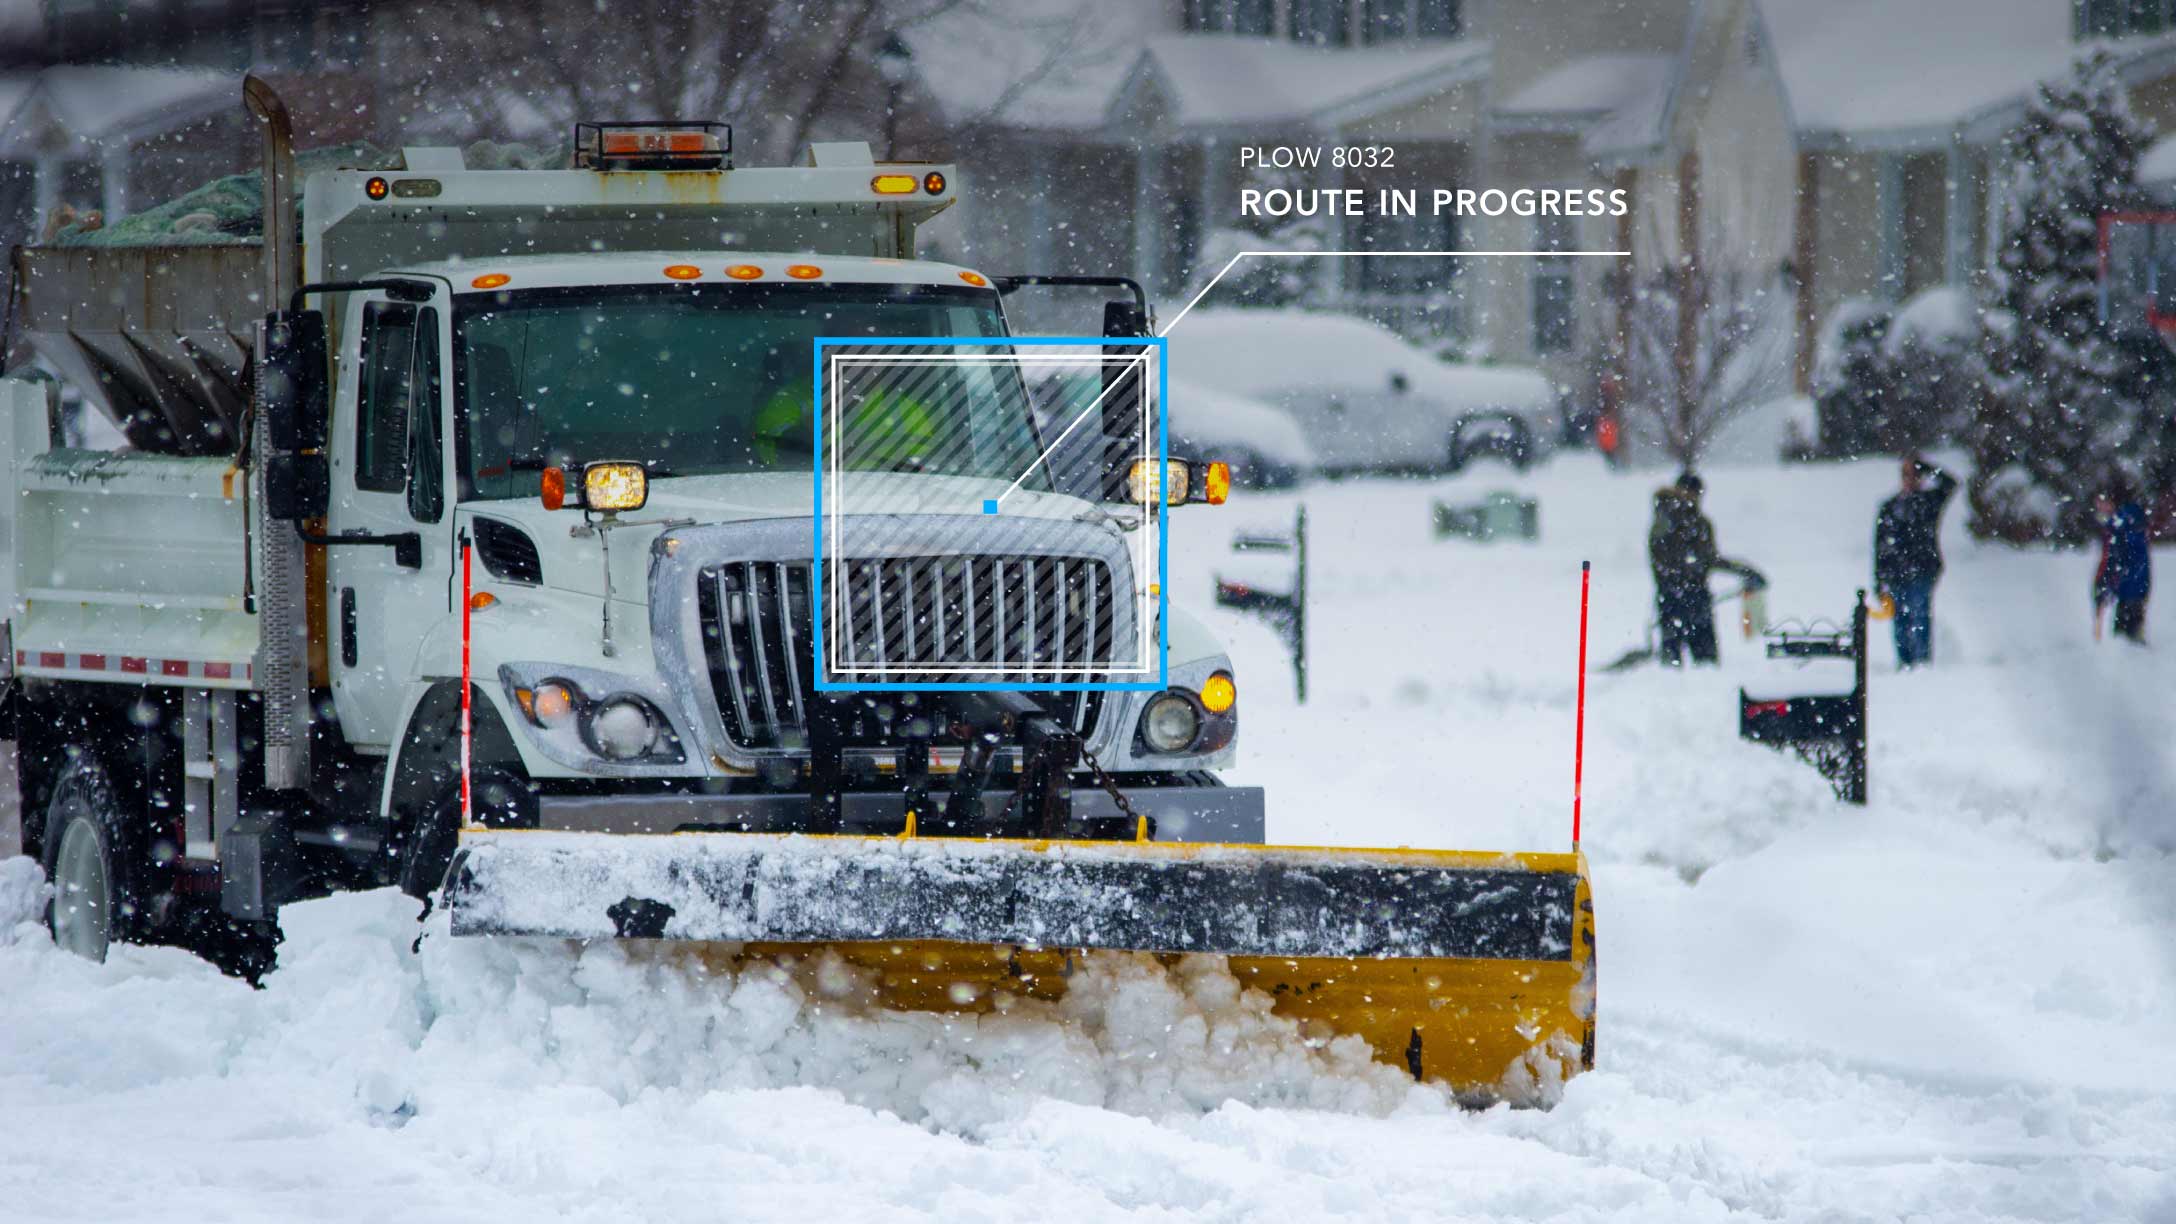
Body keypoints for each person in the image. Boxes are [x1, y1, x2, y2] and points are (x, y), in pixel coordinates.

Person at [1873, 455, 1958, 668]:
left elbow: (1950, 483)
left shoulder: (1928, 502)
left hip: (1922, 569)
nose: (1910, 480)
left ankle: (1921, 662)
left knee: (1919, 614)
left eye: (1913, 475)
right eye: (1906, 475)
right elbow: (1880, 546)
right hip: (1896, 573)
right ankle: (1905, 662)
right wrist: (1879, 579)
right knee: (1900, 619)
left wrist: (1924, 465)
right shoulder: (1890, 507)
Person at [1649, 471, 1723, 666]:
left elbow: (1710, 558)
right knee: (1674, 662)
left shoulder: (1699, 522)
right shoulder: (1668, 521)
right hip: (1676, 595)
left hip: (1692, 595)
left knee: (1705, 662)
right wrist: (1686, 575)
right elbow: (1662, 558)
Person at [2094, 479, 2152, 643]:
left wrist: (2104, 581)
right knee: (2131, 632)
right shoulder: (2131, 518)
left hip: (2129, 586)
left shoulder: (2120, 522)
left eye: (2101, 503)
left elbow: (2114, 556)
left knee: (2125, 639)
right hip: (2137, 585)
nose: (2099, 508)